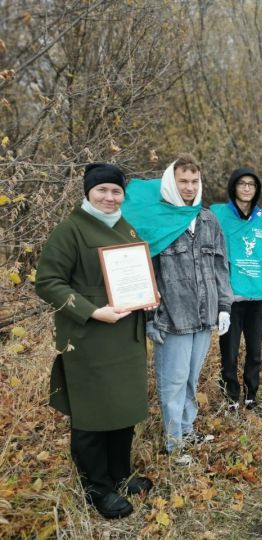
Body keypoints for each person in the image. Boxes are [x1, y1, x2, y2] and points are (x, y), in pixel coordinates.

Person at [35, 163, 153, 519]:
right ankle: (96, 488)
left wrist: (146, 294)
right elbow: (48, 282)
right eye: (102, 190)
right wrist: (91, 310)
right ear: (88, 192)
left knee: (123, 410)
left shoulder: (124, 225)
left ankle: (119, 475)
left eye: (116, 191)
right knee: (91, 415)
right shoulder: (70, 230)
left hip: (126, 336)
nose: (109, 197)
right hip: (90, 337)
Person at [123, 153, 233, 463]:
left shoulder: (209, 219)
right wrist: (149, 316)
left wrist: (224, 305)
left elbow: (221, 265)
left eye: (194, 181)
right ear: (171, 182)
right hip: (171, 317)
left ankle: (187, 430)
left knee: (191, 378)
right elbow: (143, 272)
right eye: (182, 181)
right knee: (172, 380)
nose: (188, 187)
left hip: (204, 315)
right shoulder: (157, 220)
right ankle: (174, 443)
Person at [210, 166, 262, 411]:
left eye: (251, 184)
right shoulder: (219, 214)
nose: (247, 188)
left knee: (255, 350)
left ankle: (251, 395)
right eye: (242, 183)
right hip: (230, 298)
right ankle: (231, 397)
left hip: (257, 295)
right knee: (229, 351)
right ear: (233, 187)